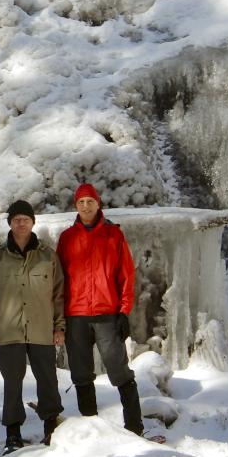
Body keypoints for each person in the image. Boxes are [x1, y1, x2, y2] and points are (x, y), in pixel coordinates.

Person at [0, 200, 65, 454]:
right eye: (16, 219)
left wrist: (60, 327)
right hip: (9, 331)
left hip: (41, 330)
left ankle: (51, 428)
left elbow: (58, 294)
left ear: (33, 222)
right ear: (10, 224)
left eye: (25, 219)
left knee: (47, 380)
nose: (21, 223)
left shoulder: (48, 256)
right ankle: (13, 434)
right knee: (12, 383)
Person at [56, 183, 143, 436]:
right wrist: (59, 317)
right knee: (82, 375)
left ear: (98, 204)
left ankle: (135, 429)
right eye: (81, 202)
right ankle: (92, 431)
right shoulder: (67, 238)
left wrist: (124, 311)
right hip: (76, 317)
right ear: (76, 206)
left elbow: (126, 275)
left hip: (106, 315)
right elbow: (59, 279)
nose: (85, 206)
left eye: (90, 201)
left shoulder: (113, 235)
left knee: (120, 372)